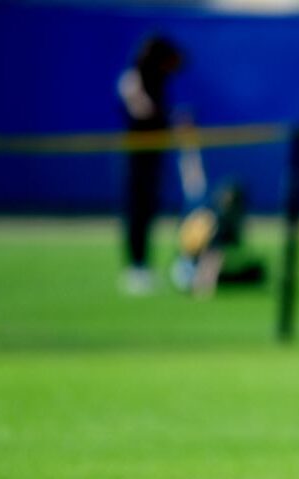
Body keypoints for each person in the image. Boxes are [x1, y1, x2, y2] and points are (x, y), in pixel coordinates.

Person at [117, 34, 184, 295]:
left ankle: (143, 266)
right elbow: (140, 109)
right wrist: (165, 116)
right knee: (137, 210)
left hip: (155, 152)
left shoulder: (158, 77)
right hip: (138, 154)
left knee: (149, 209)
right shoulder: (133, 78)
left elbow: (180, 62)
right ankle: (135, 268)